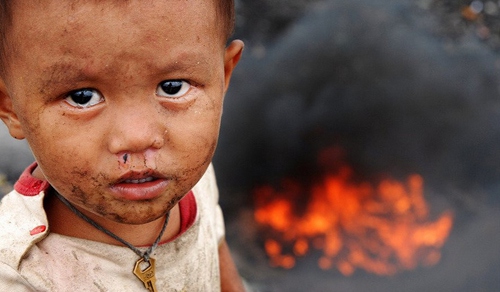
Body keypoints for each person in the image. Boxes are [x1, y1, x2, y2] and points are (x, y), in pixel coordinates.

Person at [0, 0, 245, 291]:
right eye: (82, 96)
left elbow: (214, 249)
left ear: (224, 74)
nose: (137, 137)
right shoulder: (18, 271)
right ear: (11, 108)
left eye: (173, 87)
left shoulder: (194, 181)